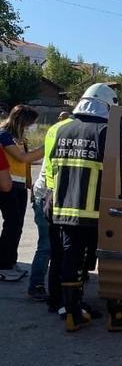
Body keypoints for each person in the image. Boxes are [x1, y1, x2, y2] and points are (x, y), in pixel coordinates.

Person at [47, 83, 122, 332]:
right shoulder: (106, 132)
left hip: (64, 208)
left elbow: (53, 167)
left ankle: (73, 314)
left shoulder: (63, 129)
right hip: (98, 211)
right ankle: (117, 315)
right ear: (107, 106)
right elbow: (121, 170)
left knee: (71, 259)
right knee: (112, 259)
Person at [27, 112, 72, 300]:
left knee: (50, 245)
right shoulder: (62, 140)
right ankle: (36, 285)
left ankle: (43, 284)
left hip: (43, 195)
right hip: (46, 197)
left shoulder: (55, 134)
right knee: (46, 245)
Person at [0, 105, 44, 281]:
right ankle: (3, 264)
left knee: (17, 225)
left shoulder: (20, 138)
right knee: (11, 224)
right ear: (21, 121)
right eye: (31, 122)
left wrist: (29, 183)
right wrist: (48, 146)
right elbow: (23, 158)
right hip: (6, 185)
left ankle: (11, 261)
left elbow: (26, 163)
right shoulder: (4, 135)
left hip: (19, 186)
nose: (32, 126)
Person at [40, 112, 75, 312]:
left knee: (56, 253)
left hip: (50, 193)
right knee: (64, 253)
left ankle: (55, 300)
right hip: (60, 195)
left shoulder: (55, 128)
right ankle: (62, 302)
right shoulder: (72, 130)